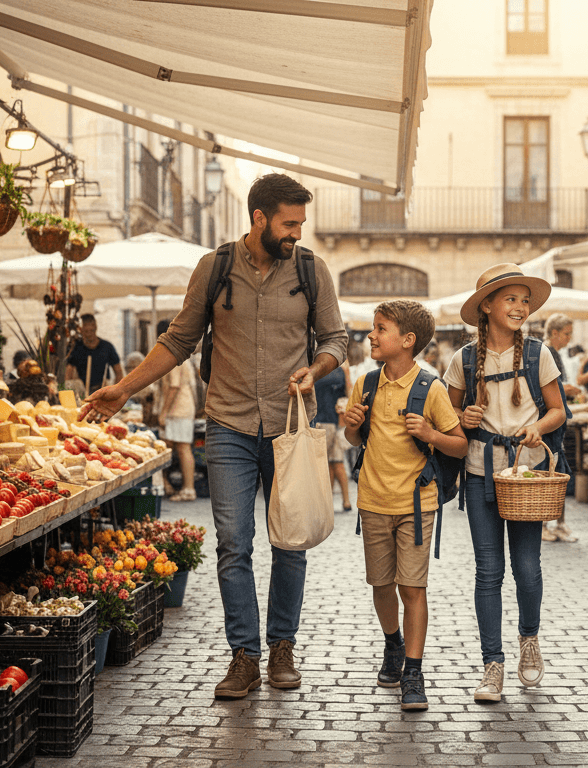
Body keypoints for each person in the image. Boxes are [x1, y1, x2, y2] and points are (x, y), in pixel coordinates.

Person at [79, 173, 348, 700]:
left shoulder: (312, 270)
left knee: (290, 540)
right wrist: (122, 390)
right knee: (233, 544)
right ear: (259, 219)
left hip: (290, 426)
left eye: (301, 223)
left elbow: (335, 337)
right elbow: (179, 339)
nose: (296, 233)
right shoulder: (216, 267)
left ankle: (282, 647)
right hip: (227, 424)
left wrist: (315, 371)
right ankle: (244, 656)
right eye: (289, 224)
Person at [443, 263, 566, 703]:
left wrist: (538, 427)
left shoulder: (539, 354)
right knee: (488, 571)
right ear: (487, 306)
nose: (520, 307)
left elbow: (558, 412)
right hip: (479, 473)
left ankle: (528, 639)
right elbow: (447, 416)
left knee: (528, 568)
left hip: (526, 475)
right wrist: (463, 417)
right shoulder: (462, 359)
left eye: (524, 300)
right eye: (510, 298)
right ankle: (491, 664)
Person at [343, 300, 467, 712]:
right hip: (372, 501)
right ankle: (393, 643)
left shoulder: (429, 387)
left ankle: (413, 670)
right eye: (373, 328)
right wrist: (352, 427)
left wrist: (431, 432)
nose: (371, 335)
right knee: (381, 585)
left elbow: (460, 444)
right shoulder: (366, 384)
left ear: (407, 340)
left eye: (380, 328)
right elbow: (355, 442)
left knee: (412, 588)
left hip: (417, 503)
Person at [541, 313, 581, 544]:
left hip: (555, 423)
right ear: (554, 332)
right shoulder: (548, 353)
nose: (569, 338)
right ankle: (547, 524)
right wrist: (568, 391)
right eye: (567, 333)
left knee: (559, 473)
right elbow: (551, 389)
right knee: (553, 474)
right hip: (550, 425)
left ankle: (557, 523)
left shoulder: (554, 353)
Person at [157, 321, 198, 502]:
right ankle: (165, 483)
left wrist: (163, 412)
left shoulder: (172, 355)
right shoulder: (182, 353)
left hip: (177, 409)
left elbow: (174, 386)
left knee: (181, 447)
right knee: (172, 446)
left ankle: (188, 488)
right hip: (184, 408)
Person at [314, 360, 352, 512]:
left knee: (331, 461)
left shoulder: (336, 369)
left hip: (329, 420)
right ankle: (341, 500)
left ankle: (332, 501)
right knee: (334, 461)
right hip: (331, 419)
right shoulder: (340, 369)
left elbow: (348, 391)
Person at [66, 314, 124, 392]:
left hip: (103, 389)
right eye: (86, 331)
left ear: (95, 327)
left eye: (92, 331)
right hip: (83, 391)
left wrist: (115, 390)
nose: (89, 334)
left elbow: (119, 372)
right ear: (80, 330)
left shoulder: (107, 347)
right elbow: (68, 373)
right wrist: (67, 390)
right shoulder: (76, 348)